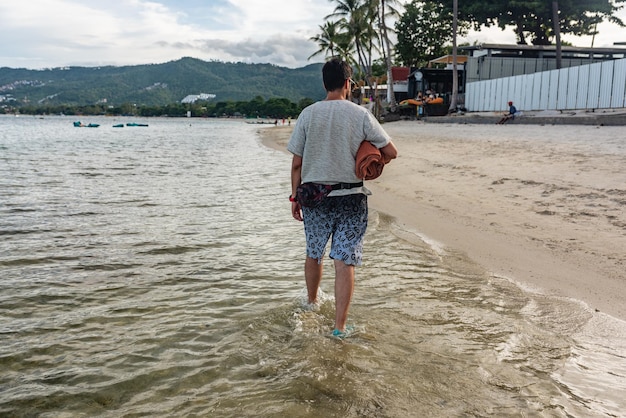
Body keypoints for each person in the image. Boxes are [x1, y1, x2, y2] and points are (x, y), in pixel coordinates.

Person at [287, 58, 398, 338]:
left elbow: (297, 164)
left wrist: (294, 196)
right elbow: (392, 151)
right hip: (350, 197)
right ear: (348, 83)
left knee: (314, 253)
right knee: (344, 260)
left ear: (325, 83)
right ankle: (339, 328)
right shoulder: (360, 115)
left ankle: (312, 304)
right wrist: (369, 154)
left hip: (314, 197)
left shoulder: (308, 114)